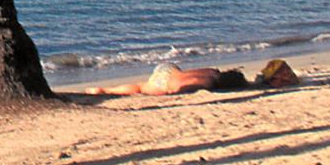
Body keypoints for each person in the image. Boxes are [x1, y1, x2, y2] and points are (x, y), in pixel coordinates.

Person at [81, 63, 244, 97]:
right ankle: (105, 90)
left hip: (169, 68)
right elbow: (182, 87)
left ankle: (105, 90)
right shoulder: (208, 84)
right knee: (140, 88)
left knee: (142, 85)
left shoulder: (212, 71)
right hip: (166, 82)